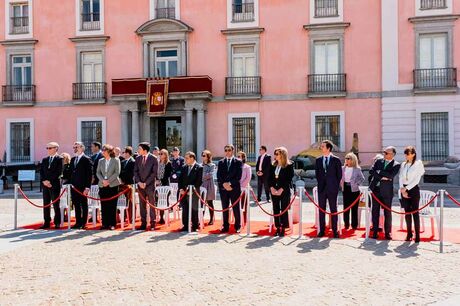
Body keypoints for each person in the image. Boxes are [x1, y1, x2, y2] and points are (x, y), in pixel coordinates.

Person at [369, 146, 401, 240]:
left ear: (392, 154)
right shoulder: (379, 161)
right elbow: (371, 171)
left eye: (386, 153)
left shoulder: (396, 164)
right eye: (384, 152)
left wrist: (379, 172)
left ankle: (387, 233)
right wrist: (383, 177)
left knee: (387, 212)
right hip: (375, 190)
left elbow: (391, 176)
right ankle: (375, 232)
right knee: (375, 211)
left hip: (387, 192)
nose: (384, 154)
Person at [315, 140, 342, 238]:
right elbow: (317, 174)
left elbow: (339, 175)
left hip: (332, 189)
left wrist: (334, 185)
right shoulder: (318, 160)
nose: (321, 148)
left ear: (328, 148)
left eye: (322, 146)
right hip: (322, 188)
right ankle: (322, 230)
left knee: (333, 210)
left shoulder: (336, 160)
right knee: (321, 210)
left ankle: (335, 231)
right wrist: (321, 183)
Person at [399, 146, 425, 243]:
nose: (406, 155)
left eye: (408, 153)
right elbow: (401, 177)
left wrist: (407, 188)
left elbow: (417, 179)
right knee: (407, 213)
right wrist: (402, 189)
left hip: (413, 189)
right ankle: (409, 233)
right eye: (405, 153)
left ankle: (417, 235)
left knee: (415, 212)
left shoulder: (418, 164)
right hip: (404, 189)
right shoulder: (403, 164)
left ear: (413, 154)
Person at [269, 147, 294, 237]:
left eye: (277, 154)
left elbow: (289, 179)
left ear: (282, 155)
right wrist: (271, 188)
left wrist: (281, 189)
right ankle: (278, 227)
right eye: (275, 153)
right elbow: (269, 178)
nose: (275, 155)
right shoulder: (272, 165)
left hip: (284, 190)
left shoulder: (289, 165)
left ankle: (283, 227)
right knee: (276, 208)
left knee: (284, 209)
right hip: (274, 190)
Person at [217, 144, 243, 233]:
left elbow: (238, 176)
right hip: (223, 189)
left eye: (229, 150)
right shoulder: (221, 162)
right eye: (226, 150)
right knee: (225, 208)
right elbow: (219, 175)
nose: (227, 152)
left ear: (233, 151)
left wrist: (230, 184)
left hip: (234, 189)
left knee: (236, 207)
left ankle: (237, 226)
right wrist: (224, 184)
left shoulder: (238, 162)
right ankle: (225, 226)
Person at [134, 142, 158, 230]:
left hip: (150, 185)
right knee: (142, 204)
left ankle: (153, 223)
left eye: (139, 149)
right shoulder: (137, 158)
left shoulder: (153, 158)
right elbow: (135, 171)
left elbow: (154, 173)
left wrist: (146, 183)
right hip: (140, 185)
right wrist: (139, 182)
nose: (138, 150)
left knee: (152, 204)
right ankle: (143, 223)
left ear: (144, 150)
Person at [96, 144, 121, 230]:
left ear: (109, 151)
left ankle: (112, 224)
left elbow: (117, 172)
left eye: (104, 150)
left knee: (112, 205)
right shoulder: (100, 161)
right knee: (104, 205)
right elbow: (97, 172)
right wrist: (103, 180)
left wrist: (108, 181)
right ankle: (104, 224)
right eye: (102, 150)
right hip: (102, 185)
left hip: (113, 185)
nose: (102, 152)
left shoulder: (116, 160)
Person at [39, 142, 63, 229]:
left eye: (50, 148)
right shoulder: (45, 159)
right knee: (46, 204)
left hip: (54, 184)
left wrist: (49, 181)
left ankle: (57, 222)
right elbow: (41, 171)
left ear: (56, 148)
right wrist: (44, 181)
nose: (48, 150)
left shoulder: (60, 159)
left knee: (56, 204)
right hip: (45, 185)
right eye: (47, 148)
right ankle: (46, 222)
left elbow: (59, 172)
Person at [69, 142, 93, 229]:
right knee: (76, 204)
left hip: (83, 186)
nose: (75, 149)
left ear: (82, 148)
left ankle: (84, 222)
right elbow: (71, 172)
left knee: (83, 204)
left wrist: (87, 187)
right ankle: (78, 222)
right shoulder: (73, 159)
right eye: (74, 147)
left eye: (77, 147)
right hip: (74, 187)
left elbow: (89, 174)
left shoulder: (86, 159)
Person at [178, 152, 203, 231]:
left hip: (194, 192)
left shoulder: (199, 167)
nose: (185, 159)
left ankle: (195, 225)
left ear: (192, 158)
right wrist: (181, 189)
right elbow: (180, 179)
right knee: (185, 209)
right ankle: (185, 225)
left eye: (187, 158)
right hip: (184, 192)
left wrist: (191, 191)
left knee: (194, 209)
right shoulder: (184, 167)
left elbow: (199, 181)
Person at [341, 152, 365, 230]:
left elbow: (362, 178)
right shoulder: (343, 168)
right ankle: (346, 224)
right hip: (345, 188)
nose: (346, 160)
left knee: (354, 208)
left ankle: (354, 225)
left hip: (354, 190)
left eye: (348, 158)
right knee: (346, 208)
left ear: (353, 160)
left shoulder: (357, 169)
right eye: (346, 158)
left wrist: (356, 184)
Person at [120, 146, 135, 224]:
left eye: (124, 152)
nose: (124, 154)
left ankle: (132, 217)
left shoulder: (133, 162)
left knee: (131, 202)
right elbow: (121, 173)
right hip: (123, 184)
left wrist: (125, 180)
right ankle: (125, 216)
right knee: (124, 201)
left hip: (130, 184)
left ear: (128, 153)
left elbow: (132, 174)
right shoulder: (122, 162)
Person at [157, 149, 173, 225]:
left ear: (165, 155)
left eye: (162, 154)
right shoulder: (158, 163)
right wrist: (156, 180)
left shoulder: (168, 164)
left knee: (164, 201)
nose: (160, 155)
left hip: (165, 184)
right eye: (159, 154)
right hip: (157, 185)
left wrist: (160, 180)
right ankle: (160, 217)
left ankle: (164, 217)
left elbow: (168, 175)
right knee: (158, 201)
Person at [201, 150, 216, 225]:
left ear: (208, 157)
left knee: (210, 202)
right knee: (201, 203)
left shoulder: (212, 165)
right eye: (202, 155)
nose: (202, 157)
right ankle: (200, 219)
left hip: (209, 186)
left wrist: (203, 175)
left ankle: (211, 219)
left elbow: (210, 175)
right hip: (202, 186)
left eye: (204, 155)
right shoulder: (200, 165)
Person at [238, 151, 252, 225]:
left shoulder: (247, 167)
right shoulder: (236, 166)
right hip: (236, 188)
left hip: (243, 188)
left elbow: (248, 178)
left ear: (243, 157)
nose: (238, 158)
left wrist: (241, 186)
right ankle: (238, 220)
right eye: (237, 156)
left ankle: (244, 220)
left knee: (243, 205)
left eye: (239, 156)